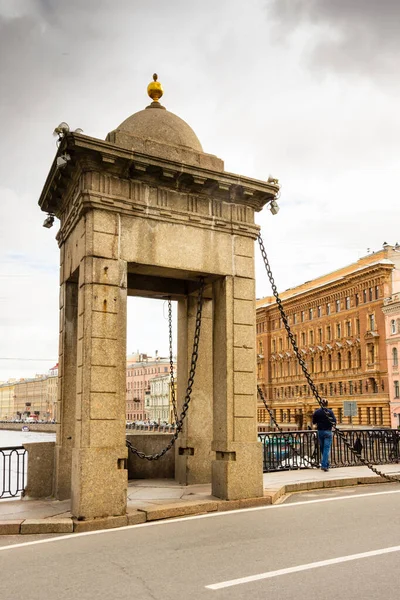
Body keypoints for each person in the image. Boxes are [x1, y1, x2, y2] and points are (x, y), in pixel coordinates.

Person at [312, 399, 336, 471]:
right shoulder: (330, 412)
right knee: (326, 449)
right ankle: (325, 465)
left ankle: (325, 464)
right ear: (327, 404)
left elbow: (313, 422)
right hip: (328, 432)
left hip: (320, 432)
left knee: (322, 448)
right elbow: (334, 421)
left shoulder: (316, 412)